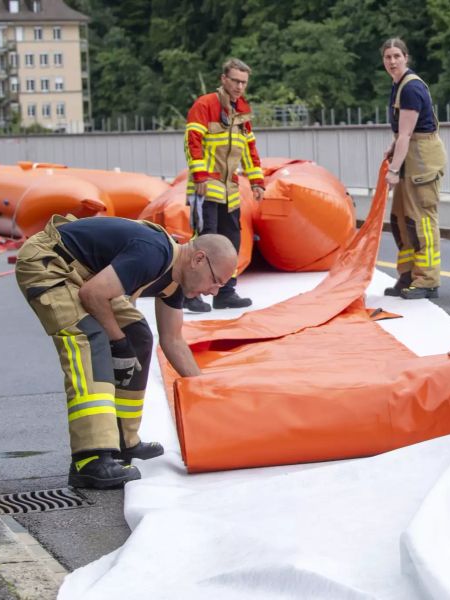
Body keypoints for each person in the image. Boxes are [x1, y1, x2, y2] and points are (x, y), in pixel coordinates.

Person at [15, 214, 237, 489]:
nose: (215, 292)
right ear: (199, 259)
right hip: (49, 264)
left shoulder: (174, 280)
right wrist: (117, 342)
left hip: (83, 274)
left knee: (138, 337)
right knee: (89, 339)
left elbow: (173, 341)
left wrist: (205, 394)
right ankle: (90, 459)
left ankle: (123, 441)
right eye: (216, 281)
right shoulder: (153, 253)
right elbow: (93, 295)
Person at [182, 57, 264, 312]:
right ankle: (189, 293)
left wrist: (257, 181)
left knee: (231, 243)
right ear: (224, 79)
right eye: (236, 81)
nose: (240, 87)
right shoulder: (205, 105)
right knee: (204, 243)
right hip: (207, 189)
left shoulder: (242, 111)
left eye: (244, 83)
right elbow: (192, 142)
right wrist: (201, 177)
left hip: (230, 190)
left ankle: (225, 293)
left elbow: (249, 148)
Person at [381, 38, 447, 300]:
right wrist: (392, 149)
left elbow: (407, 134)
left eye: (397, 56)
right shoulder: (398, 85)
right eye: (388, 57)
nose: (392, 61)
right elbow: (401, 134)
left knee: (421, 222)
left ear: (406, 58)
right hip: (412, 156)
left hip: (422, 161)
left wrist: (393, 170)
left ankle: (428, 280)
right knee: (401, 221)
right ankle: (408, 274)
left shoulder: (410, 88)